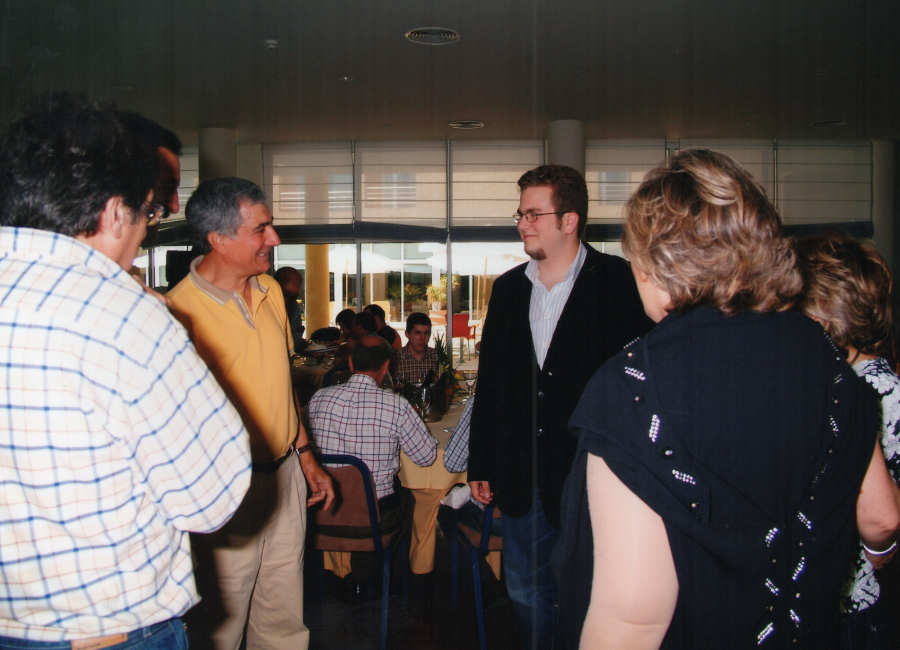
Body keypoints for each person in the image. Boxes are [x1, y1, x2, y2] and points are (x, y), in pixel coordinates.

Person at [555, 149, 900, 649]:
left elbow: (633, 616)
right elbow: (880, 516)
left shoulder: (634, 385)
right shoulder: (830, 361)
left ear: (654, 264)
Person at [0, 93, 251, 647]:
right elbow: (212, 497)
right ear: (116, 211)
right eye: (150, 214)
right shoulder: (126, 316)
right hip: (109, 631)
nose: (144, 235)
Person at [467, 164, 651, 648]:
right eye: (520, 214)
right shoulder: (508, 290)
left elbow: (640, 387)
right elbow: (492, 384)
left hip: (596, 479)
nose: (523, 224)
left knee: (592, 597)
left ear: (570, 220)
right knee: (526, 594)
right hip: (522, 476)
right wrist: (481, 462)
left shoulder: (620, 283)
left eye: (534, 214)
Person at [167, 177, 335, 650]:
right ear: (219, 240)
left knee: (284, 622)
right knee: (221, 629)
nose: (275, 239)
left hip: (286, 476)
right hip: (226, 495)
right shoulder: (178, 315)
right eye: (261, 229)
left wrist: (305, 457)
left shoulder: (271, 291)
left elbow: (281, 380)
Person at [796, 232, 900, 649]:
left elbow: (883, 519)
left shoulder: (874, 391)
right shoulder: (853, 380)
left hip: (848, 609)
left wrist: (877, 553)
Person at [394, 312, 439, 385]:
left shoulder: (436, 357)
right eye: (417, 333)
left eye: (426, 333)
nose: (422, 338)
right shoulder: (396, 357)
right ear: (407, 334)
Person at [275, 265, 306, 347]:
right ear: (281, 283)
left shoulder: (294, 306)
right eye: (295, 283)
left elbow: (295, 337)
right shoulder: (268, 305)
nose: (298, 288)